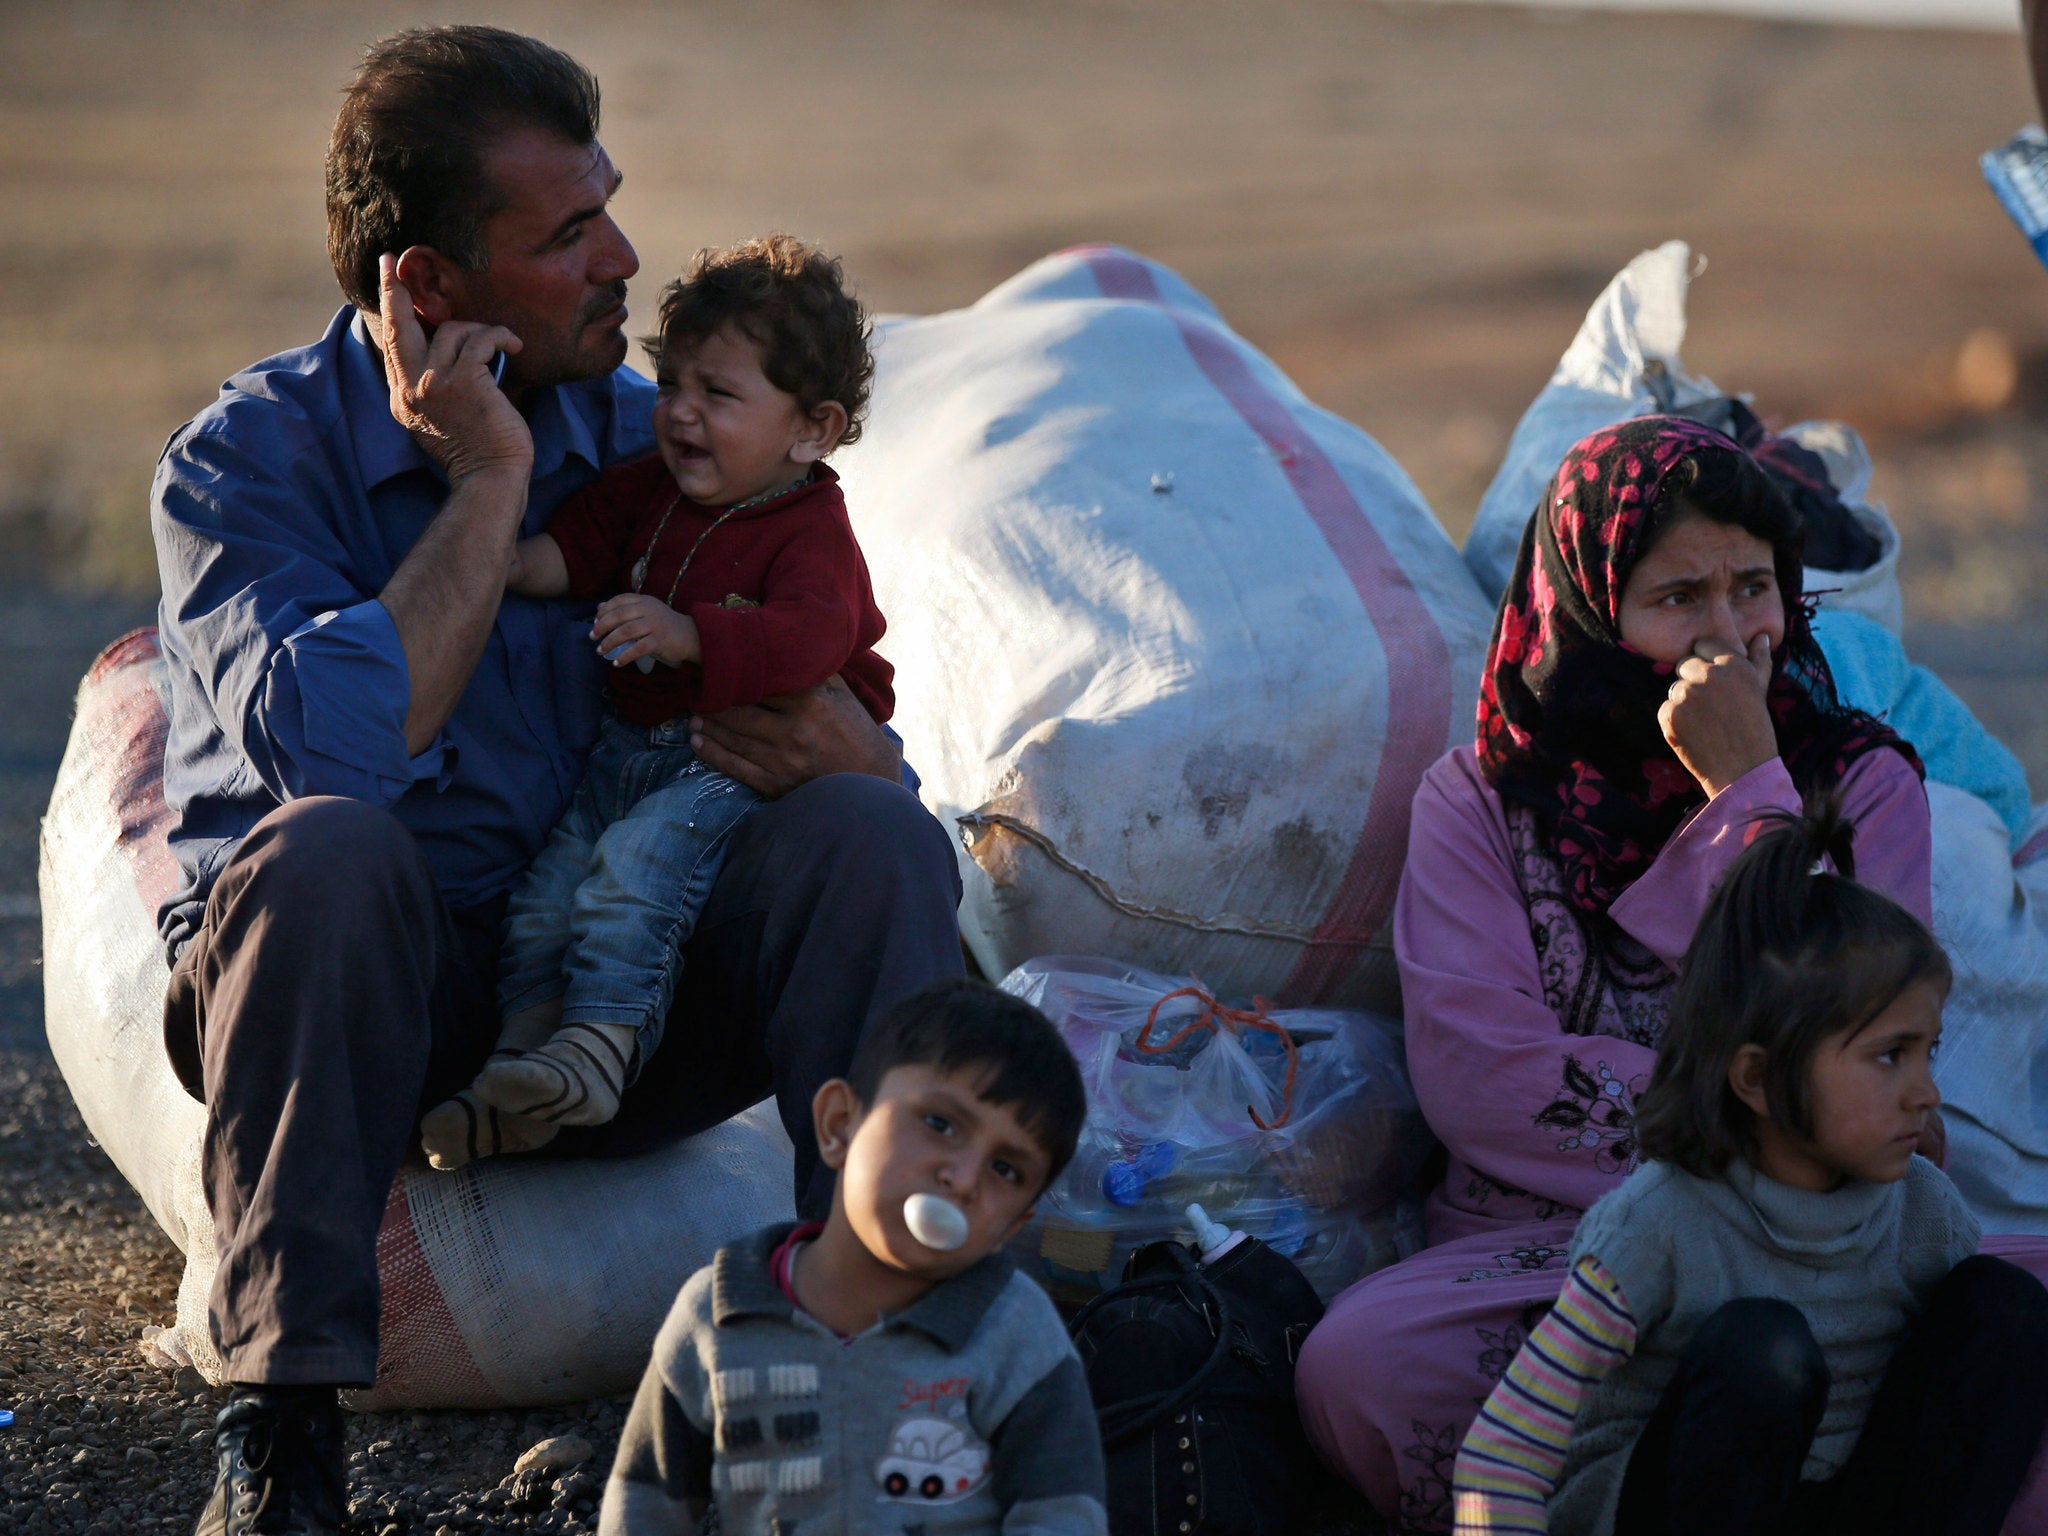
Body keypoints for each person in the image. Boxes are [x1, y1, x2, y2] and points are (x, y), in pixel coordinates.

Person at [149, 27, 963, 1535]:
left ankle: (871, 1375)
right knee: (327, 852)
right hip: (361, 1013)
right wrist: (490, 484)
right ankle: (281, 1444)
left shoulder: (662, 434)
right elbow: (345, 757)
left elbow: (813, 663)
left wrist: (861, 753)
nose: (625, 257)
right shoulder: (243, 465)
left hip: (609, 991)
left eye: (611, 205)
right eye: (568, 231)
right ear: (429, 288)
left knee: (866, 832)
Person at [1293, 417, 1936, 1533]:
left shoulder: (1861, 785)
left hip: (1820, 1235)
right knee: (1359, 1363)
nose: (1731, 635)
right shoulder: (1477, 804)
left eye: (1753, 587)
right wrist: (1749, 1140)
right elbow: (1485, 1080)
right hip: (1555, 1251)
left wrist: (1750, 796)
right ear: (1585, 609)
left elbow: (1866, 1027)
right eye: (1678, 597)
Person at [420, 234, 894, 1166]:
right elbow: (586, 543)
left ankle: (600, 1052)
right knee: (548, 892)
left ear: (813, 429)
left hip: (733, 760)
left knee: (636, 869)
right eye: (671, 384)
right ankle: (523, 1069)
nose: (678, 414)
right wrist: (503, 563)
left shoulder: (810, 528)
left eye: (717, 396)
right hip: (627, 752)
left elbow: (813, 637)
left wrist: (694, 635)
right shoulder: (659, 487)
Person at [1451, 804, 2048, 1535]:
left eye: (1929, 1050)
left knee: (2005, 1307)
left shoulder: (1925, 1212)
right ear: (1758, 1079)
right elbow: (1504, 1449)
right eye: (1890, 1055)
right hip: (1672, 1508)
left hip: (1843, 1508)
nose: (1926, 1091)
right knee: (1762, 1351)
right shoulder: (1659, 1224)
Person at [597, 978, 1109, 1536]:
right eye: (940, 1123)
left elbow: (1063, 1513)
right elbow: (645, 1503)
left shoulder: (1017, 1333)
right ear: (841, 1124)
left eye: (1005, 1169)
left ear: (1009, 1227)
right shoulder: (718, 1315)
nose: (963, 1179)